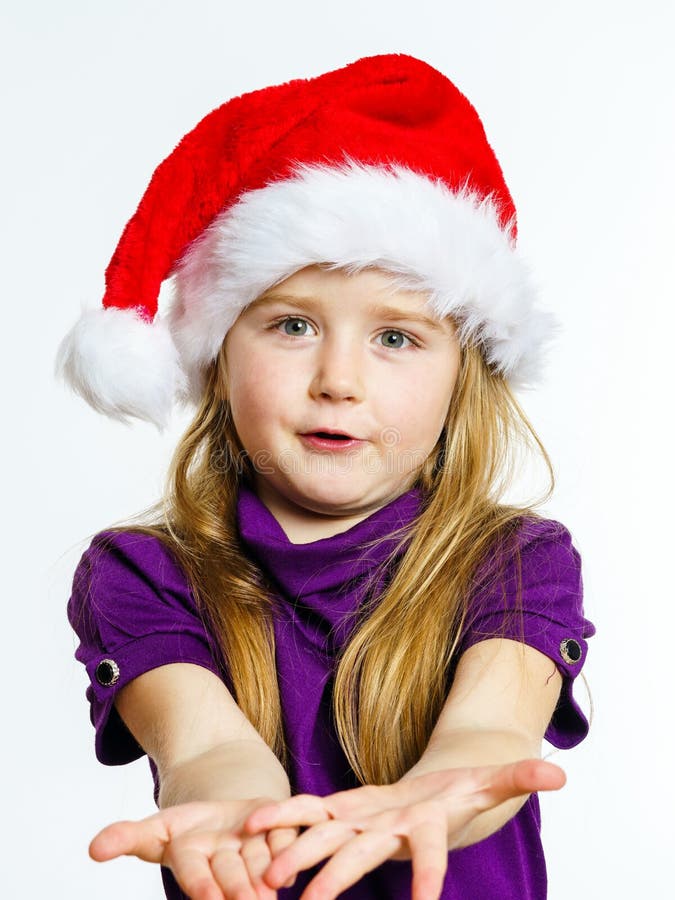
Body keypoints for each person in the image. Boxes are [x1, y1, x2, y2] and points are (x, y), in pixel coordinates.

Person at [55, 53, 595, 900]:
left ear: (464, 375)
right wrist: (244, 816)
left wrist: (442, 792)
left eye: (395, 338)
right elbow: (205, 749)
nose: (337, 379)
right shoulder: (143, 575)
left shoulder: (515, 560)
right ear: (217, 354)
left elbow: (490, 728)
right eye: (293, 324)